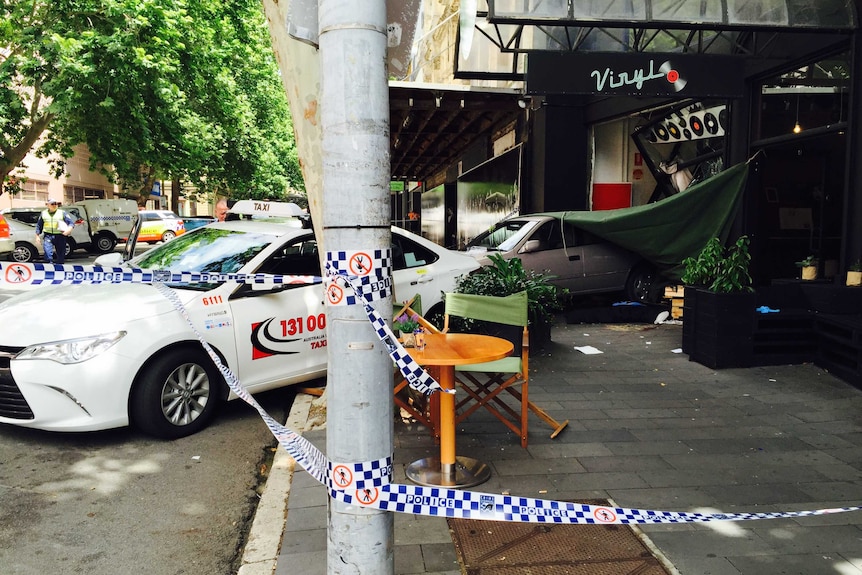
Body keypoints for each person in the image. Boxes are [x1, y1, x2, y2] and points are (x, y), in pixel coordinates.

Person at [35, 199, 75, 264]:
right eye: (52, 204)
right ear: (47, 205)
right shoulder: (44, 213)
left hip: (60, 236)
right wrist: (37, 236)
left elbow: (71, 223)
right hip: (48, 236)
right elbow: (39, 225)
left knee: (61, 254)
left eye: (56, 204)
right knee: (47, 254)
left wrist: (68, 230)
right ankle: (50, 266)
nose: (55, 205)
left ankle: (60, 268)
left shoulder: (62, 213)